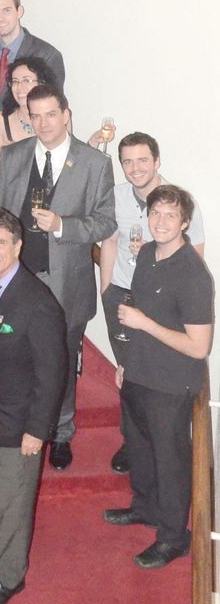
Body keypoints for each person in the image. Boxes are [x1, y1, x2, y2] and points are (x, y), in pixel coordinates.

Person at [0, 84, 116, 470]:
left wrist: (64, 225)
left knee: (58, 360)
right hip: (18, 280)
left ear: (66, 115)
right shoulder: (12, 156)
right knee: (15, 359)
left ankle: (60, 432)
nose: (43, 123)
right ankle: (20, 427)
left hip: (66, 283)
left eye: (51, 114)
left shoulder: (94, 163)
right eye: (36, 115)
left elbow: (105, 221)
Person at [0, 206, 67, 604]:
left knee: (14, 502)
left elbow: (52, 374)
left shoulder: (38, 303)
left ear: (18, 246)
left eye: (0, 243)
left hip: (18, 423)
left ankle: (10, 576)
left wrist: (38, 431)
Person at [103, 185, 214, 569]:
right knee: (140, 448)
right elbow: (138, 317)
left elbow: (199, 347)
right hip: (138, 373)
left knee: (170, 461)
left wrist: (145, 325)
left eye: (171, 215)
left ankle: (173, 537)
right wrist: (125, 362)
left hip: (170, 383)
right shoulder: (147, 253)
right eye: (155, 214)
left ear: (185, 222)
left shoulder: (194, 275)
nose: (161, 222)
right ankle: (145, 507)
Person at [99, 133, 206, 474]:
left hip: (159, 308)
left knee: (157, 384)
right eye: (127, 161)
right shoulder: (115, 195)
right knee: (127, 377)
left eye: (142, 159)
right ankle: (133, 446)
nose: (135, 168)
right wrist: (106, 291)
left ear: (157, 161)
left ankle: (163, 458)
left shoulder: (178, 203)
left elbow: (194, 259)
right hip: (122, 297)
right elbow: (109, 242)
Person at [0, 0, 66, 136]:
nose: (0, 18)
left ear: (19, 11)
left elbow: (55, 109)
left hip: (22, 142)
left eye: (6, 10)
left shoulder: (47, 55)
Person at [0, 55, 60, 166]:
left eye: (26, 80)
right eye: (15, 81)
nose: (19, 87)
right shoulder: (2, 120)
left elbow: (68, 158)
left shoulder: (58, 115)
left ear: (41, 83)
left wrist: (91, 144)